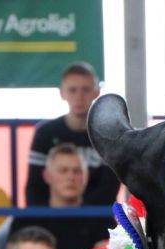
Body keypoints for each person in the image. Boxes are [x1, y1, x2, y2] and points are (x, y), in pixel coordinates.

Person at [25, 61, 118, 208]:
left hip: (94, 221)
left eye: (86, 89)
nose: (79, 96)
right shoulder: (45, 133)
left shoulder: (108, 136)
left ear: (97, 92)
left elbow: (108, 191)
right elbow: (34, 189)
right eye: (72, 90)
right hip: (49, 219)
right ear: (62, 93)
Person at [11, 145, 110, 249]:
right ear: (47, 176)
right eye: (63, 170)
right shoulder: (26, 218)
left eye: (77, 171)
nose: (70, 177)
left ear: (86, 175)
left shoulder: (103, 217)